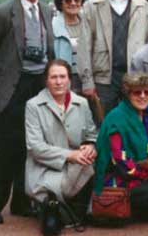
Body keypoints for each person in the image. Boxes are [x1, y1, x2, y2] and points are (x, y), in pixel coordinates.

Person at [0, 0, 55, 224]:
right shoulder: (1, 13)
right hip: (13, 86)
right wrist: (7, 72)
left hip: (38, 84)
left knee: (31, 146)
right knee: (6, 147)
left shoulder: (46, 11)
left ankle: (23, 202)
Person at [93, 72, 148, 222]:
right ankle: (135, 209)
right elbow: (121, 163)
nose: (143, 96)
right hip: (119, 176)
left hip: (143, 166)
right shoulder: (116, 118)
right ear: (127, 94)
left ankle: (147, 207)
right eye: (137, 92)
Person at [24, 59, 97, 235]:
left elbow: (91, 135)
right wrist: (70, 155)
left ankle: (59, 207)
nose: (58, 82)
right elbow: (35, 147)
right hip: (45, 167)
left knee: (89, 160)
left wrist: (90, 146)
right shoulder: (33, 105)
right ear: (46, 80)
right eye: (54, 77)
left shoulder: (82, 103)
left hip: (77, 165)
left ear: (69, 80)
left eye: (63, 77)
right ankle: (53, 205)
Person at [78, 0, 148, 114]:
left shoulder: (143, 6)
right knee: (104, 123)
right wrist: (87, 81)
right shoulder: (92, 6)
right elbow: (84, 46)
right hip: (104, 78)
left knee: (134, 120)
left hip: (135, 75)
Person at [51, 0, 87, 92]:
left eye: (77, 0)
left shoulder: (89, 23)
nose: (73, 3)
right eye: (68, 0)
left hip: (87, 80)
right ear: (60, 3)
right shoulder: (52, 26)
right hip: (63, 80)